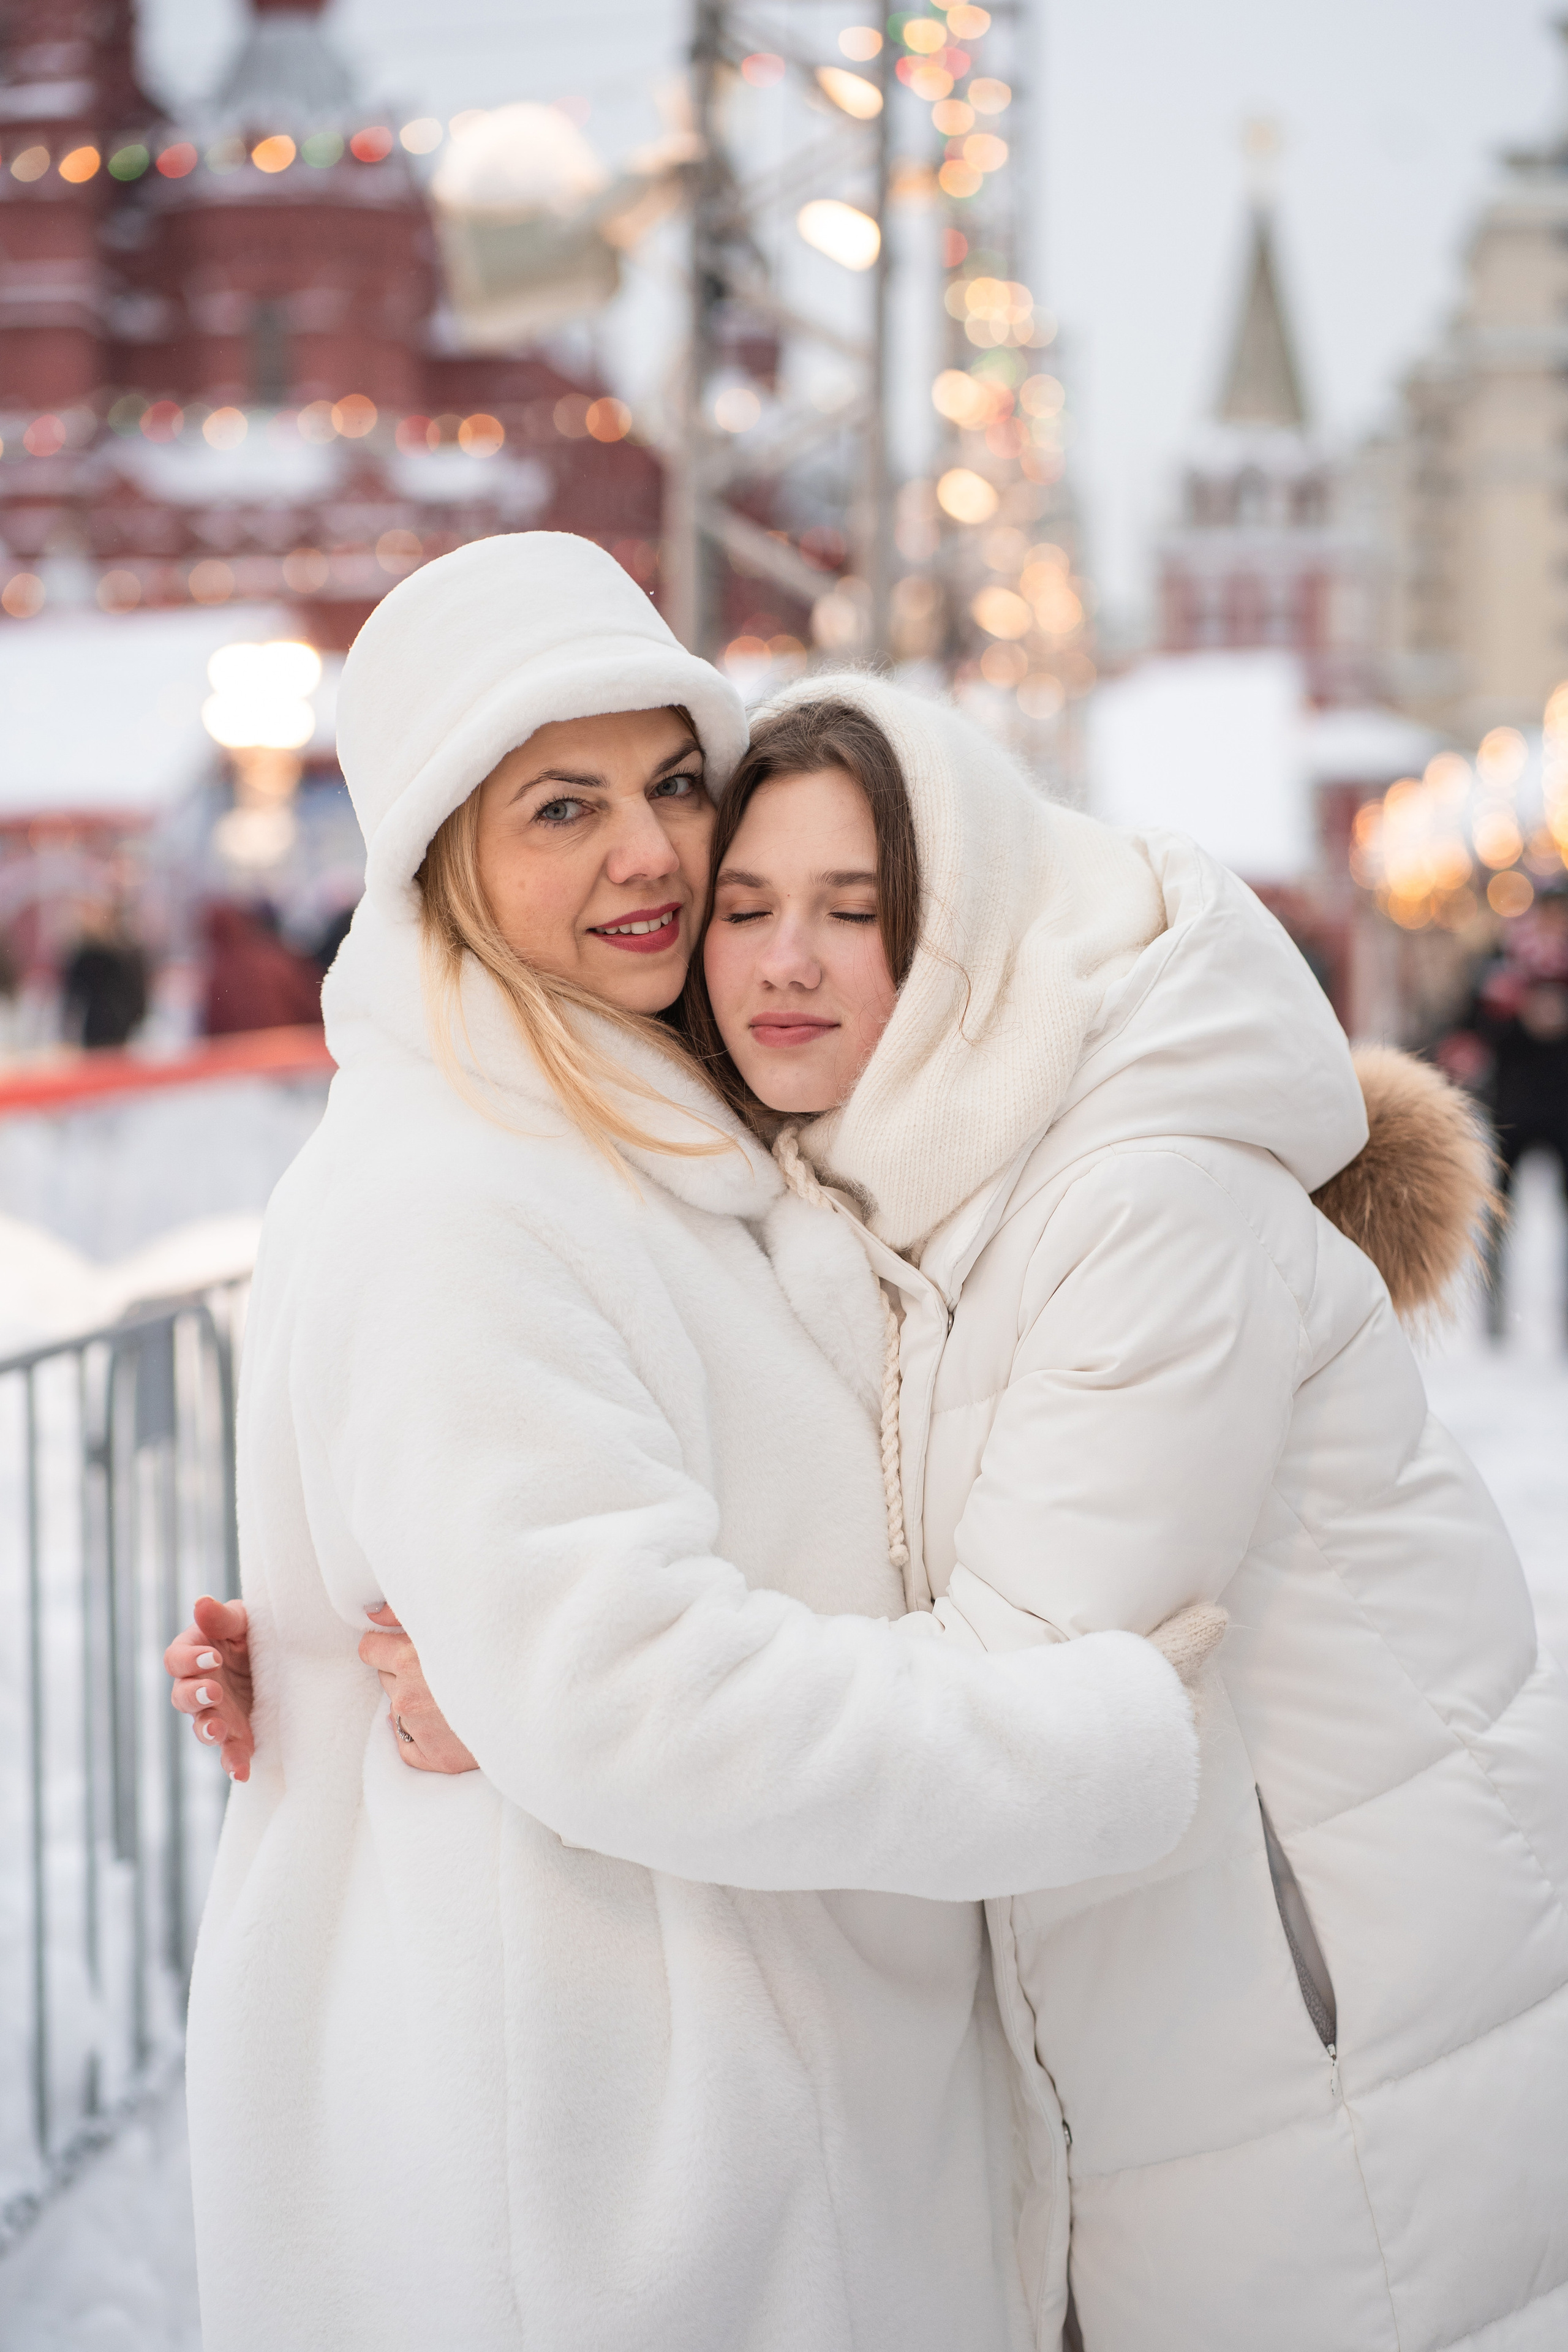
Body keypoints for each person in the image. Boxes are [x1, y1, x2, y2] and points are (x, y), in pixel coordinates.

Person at [168, 535, 1217, 2352]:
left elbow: (592, 1615)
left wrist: (366, 1656)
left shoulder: (641, 1130)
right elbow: (632, 1692)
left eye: (670, 781)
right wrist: (1093, 1742)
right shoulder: (465, 1192)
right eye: (559, 806)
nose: (650, 849)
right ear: (446, 859)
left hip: (727, 2112)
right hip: (628, 2178)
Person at [678, 679, 1568, 2352]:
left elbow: (1028, 1686)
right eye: (747, 907)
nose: (786, 960)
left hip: (1319, 2037)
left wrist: (558, 1698)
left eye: (853, 913)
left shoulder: (1135, 1195)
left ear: (963, 940)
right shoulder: (899, 1188)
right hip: (1170, 2026)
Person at [200, 898, 324, 1035]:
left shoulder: (218, 975)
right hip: (291, 1044)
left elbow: (213, 1028)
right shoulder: (274, 958)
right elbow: (312, 1004)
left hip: (249, 1050)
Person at [61, 899, 148, 1048]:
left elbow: (73, 998)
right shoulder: (89, 955)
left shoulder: (123, 954)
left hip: (114, 1026)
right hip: (103, 1027)